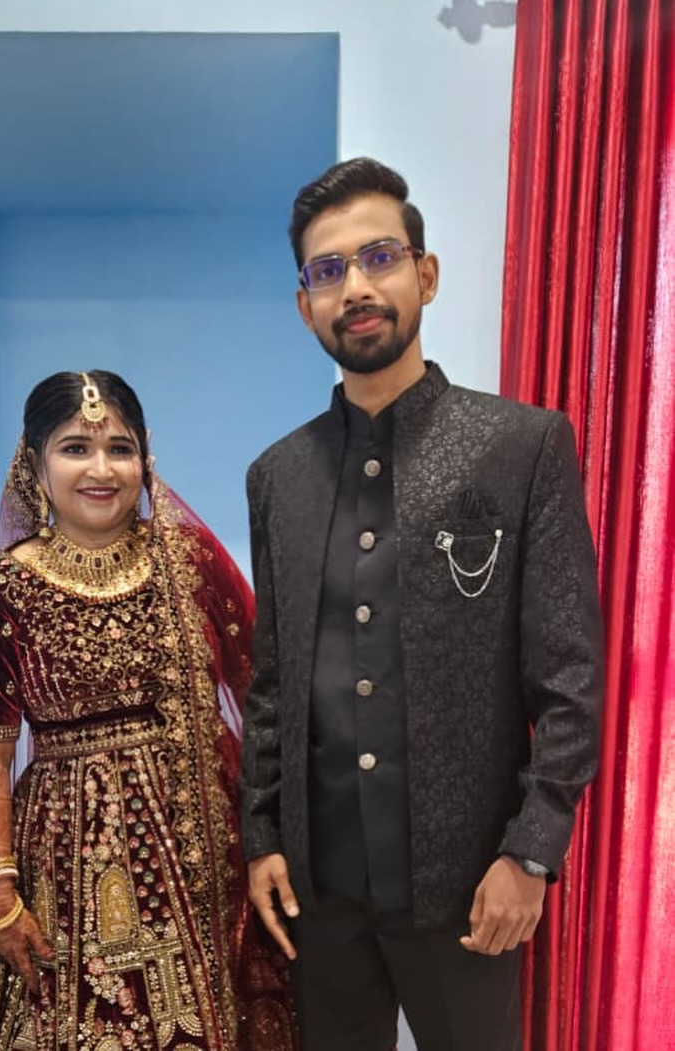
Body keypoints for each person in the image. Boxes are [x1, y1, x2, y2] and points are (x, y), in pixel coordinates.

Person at [240, 158, 604, 1051]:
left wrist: (530, 852)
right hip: (321, 896)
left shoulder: (520, 446)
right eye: (328, 270)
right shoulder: (278, 477)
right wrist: (262, 835)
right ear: (305, 305)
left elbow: (570, 679)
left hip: (469, 887)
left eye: (379, 257)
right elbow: (274, 681)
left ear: (425, 274)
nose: (355, 288)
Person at [0, 370, 296, 1051]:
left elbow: (261, 695)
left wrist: (269, 840)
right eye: (75, 448)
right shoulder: (1, 587)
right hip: (60, 866)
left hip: (199, 850)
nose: (101, 469)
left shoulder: (188, 562)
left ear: (145, 457)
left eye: (119, 449)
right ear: (34, 463)